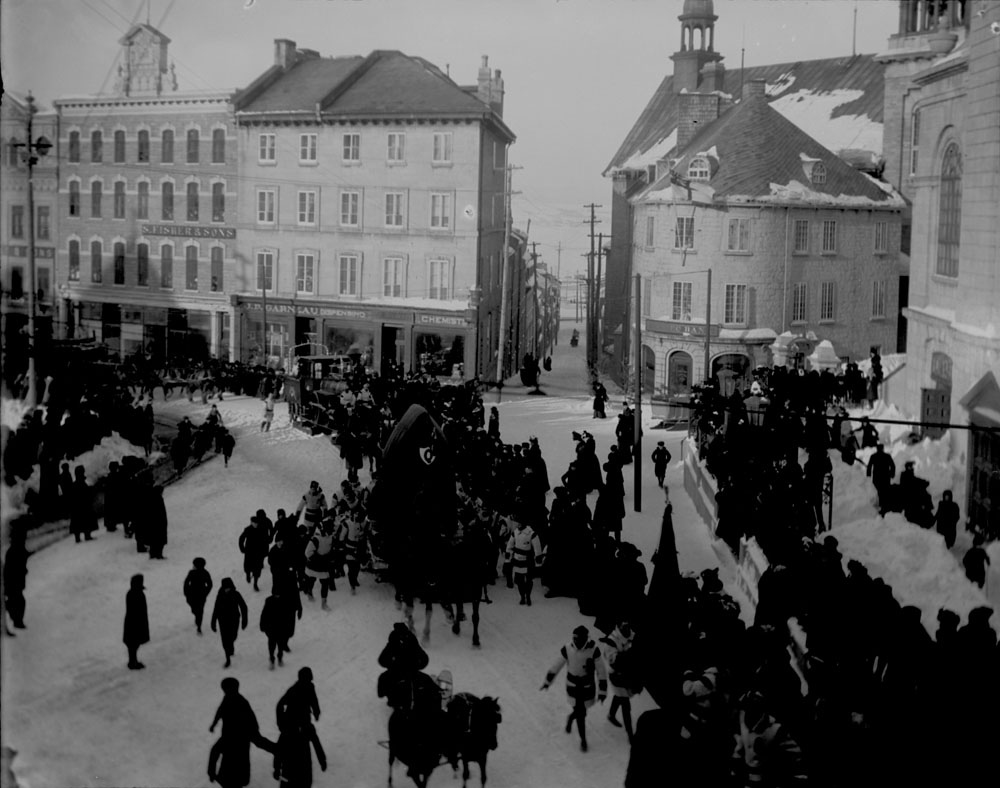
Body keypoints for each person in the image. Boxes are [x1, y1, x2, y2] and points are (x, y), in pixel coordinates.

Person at [540, 624, 608, 752]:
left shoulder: (594, 650)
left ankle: (571, 718)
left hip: (587, 687)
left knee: (581, 712)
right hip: (573, 687)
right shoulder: (567, 649)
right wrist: (547, 681)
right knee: (581, 713)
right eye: (574, 638)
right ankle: (583, 740)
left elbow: (601, 671)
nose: (576, 641)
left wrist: (602, 691)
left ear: (585, 639)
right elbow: (557, 665)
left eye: (579, 639)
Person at [208, 677, 276, 788]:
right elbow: (220, 711)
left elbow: (252, 725)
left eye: (225, 689)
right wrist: (214, 724)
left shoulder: (240, 702)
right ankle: (279, 750)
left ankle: (280, 750)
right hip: (232, 738)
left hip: (236, 739)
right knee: (227, 765)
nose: (225, 691)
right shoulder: (228, 699)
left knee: (230, 770)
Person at [602, 619, 640, 744]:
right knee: (625, 703)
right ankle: (630, 734)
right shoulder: (611, 642)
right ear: (618, 626)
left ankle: (611, 715)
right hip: (616, 675)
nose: (627, 629)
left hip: (627, 673)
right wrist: (631, 654)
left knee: (620, 696)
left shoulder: (631, 635)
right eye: (624, 626)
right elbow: (616, 662)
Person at [505, 515, 544, 606]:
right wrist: (508, 559)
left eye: (520, 522)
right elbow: (509, 546)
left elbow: (537, 549)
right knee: (519, 581)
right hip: (518, 560)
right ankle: (522, 596)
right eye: (517, 522)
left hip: (528, 561)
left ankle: (528, 596)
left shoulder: (531, 533)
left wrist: (538, 563)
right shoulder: (515, 533)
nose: (518, 524)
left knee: (529, 580)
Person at [211, 577, 249, 668]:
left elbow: (243, 607)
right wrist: (213, 622)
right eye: (225, 587)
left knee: (233, 636)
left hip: (234, 620)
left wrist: (244, 621)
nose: (227, 589)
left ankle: (230, 647)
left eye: (228, 587)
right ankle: (228, 658)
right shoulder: (220, 595)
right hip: (223, 621)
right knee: (225, 640)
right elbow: (216, 609)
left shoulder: (236, 594)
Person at [260, 588, 302, 669]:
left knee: (280, 645)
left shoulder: (286, 601)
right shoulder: (269, 600)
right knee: (272, 645)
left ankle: (279, 657)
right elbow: (264, 613)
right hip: (271, 627)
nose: (277, 596)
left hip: (282, 628)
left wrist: (289, 627)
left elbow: (290, 615)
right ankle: (272, 658)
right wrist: (263, 625)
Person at [303, 518, 337, 610]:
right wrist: (320, 559)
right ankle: (309, 592)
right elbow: (307, 553)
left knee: (325, 584)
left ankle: (323, 603)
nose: (331, 532)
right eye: (329, 530)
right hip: (314, 566)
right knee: (311, 580)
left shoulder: (330, 537)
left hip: (324, 566)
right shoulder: (315, 539)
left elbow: (331, 548)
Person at [3, 524, 30, 631]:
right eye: (23, 536)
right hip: (13, 581)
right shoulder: (15, 549)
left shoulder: (17, 548)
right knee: (18, 601)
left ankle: (15, 618)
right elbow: (15, 566)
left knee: (16, 600)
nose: (25, 538)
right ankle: (17, 621)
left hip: (14, 580)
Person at [123, 573, 149, 670]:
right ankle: (133, 662)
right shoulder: (137, 594)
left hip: (132, 623)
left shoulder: (131, 593)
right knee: (134, 644)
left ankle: (132, 661)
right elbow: (138, 611)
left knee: (133, 644)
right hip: (136, 623)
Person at [239, 514, 271, 592]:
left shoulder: (261, 530)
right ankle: (247, 574)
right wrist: (242, 549)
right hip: (249, 552)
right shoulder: (247, 529)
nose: (256, 524)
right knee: (248, 566)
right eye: (254, 523)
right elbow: (241, 539)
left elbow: (265, 541)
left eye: (256, 523)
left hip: (258, 553)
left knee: (257, 569)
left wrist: (264, 551)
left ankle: (255, 583)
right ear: (251, 522)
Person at [184, 557, 214, 634]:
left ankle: (199, 626)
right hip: (195, 595)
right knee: (197, 610)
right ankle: (197, 618)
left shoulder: (202, 573)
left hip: (197, 594)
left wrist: (205, 592)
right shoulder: (195, 572)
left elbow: (210, 584)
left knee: (199, 610)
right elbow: (186, 583)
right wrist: (187, 592)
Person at [70, 465, 98, 543]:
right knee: (86, 520)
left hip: (76, 507)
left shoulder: (75, 484)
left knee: (77, 521)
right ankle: (87, 535)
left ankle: (78, 538)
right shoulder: (81, 483)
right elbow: (85, 494)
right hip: (83, 506)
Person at [866, 443, 896, 515]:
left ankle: (881, 505)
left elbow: (869, 466)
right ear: (882, 449)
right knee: (885, 491)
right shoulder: (887, 456)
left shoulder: (873, 456)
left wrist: (868, 475)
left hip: (877, 477)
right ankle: (885, 506)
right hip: (886, 477)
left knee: (879, 491)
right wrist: (892, 474)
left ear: (877, 449)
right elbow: (893, 466)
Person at [146, 486, 169, 560]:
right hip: (159, 523)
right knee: (160, 540)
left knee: (153, 540)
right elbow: (161, 512)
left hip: (153, 523)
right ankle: (159, 555)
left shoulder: (151, 498)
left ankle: (153, 554)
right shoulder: (158, 499)